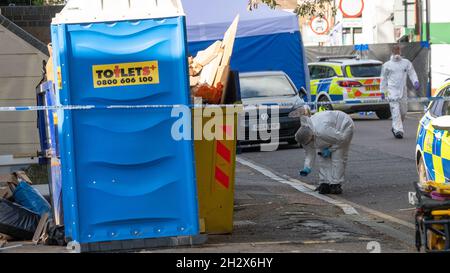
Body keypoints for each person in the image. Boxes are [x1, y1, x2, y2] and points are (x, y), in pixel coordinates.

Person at [295, 109, 355, 195]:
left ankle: (335, 184)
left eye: (310, 142)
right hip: (328, 133)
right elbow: (309, 153)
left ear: (312, 137)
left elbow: (342, 140)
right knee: (323, 158)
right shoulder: (303, 136)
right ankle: (324, 183)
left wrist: (330, 150)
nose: (309, 145)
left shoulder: (322, 131)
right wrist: (307, 167)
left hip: (343, 127)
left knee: (337, 157)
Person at [381, 44, 420, 139]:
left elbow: (412, 73)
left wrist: (415, 81)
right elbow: (383, 79)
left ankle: (395, 127)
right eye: (395, 51)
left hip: (403, 91)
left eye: (398, 51)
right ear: (392, 52)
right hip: (391, 92)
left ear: (400, 52)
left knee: (403, 112)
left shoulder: (406, 63)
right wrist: (382, 91)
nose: (397, 53)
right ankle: (399, 131)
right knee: (396, 112)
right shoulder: (387, 65)